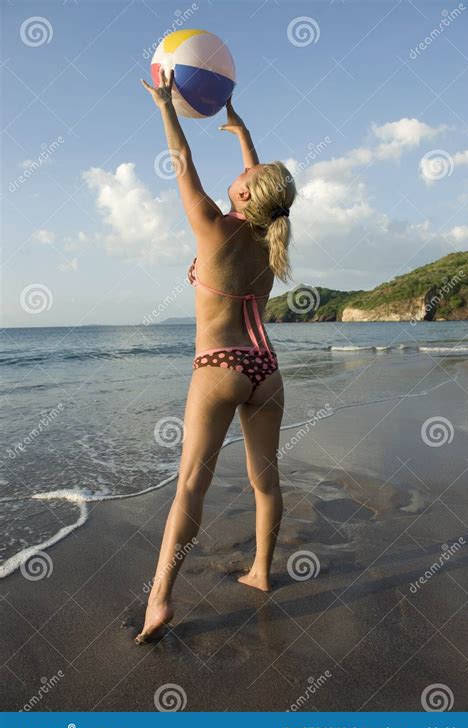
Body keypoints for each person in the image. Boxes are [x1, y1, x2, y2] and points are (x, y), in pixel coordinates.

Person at [136, 69, 296, 643]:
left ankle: (160, 599)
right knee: (265, 482)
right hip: (267, 371)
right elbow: (267, 188)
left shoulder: (211, 227)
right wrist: (242, 131)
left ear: (247, 193)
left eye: (246, 175)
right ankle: (260, 573)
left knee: (190, 488)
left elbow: (182, 163)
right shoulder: (272, 231)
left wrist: (165, 107)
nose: (241, 174)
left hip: (220, 367)